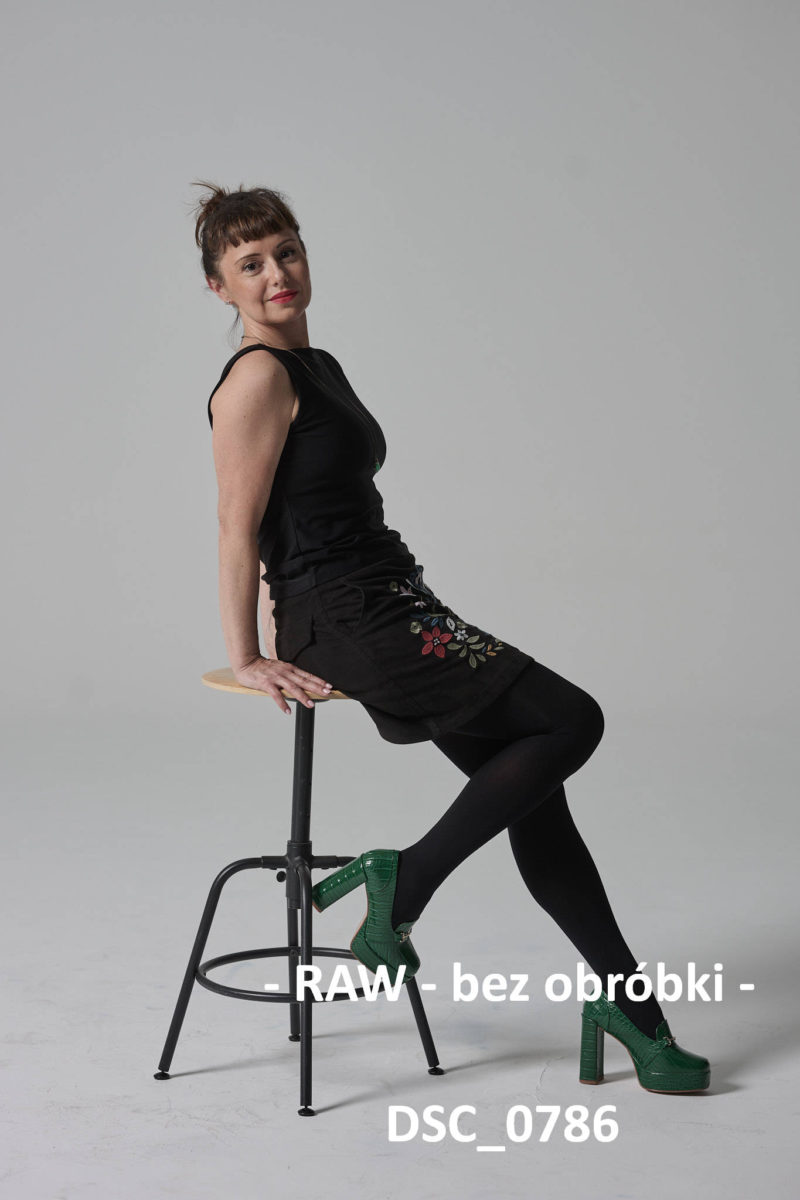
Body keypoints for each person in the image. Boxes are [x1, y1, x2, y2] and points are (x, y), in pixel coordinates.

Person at [193, 180, 710, 1094]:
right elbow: (237, 528)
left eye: (287, 251)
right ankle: (405, 883)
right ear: (219, 286)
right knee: (572, 719)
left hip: (393, 602)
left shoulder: (319, 365)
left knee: (536, 801)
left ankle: (634, 1014)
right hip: (344, 619)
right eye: (251, 263)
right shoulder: (257, 379)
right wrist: (247, 653)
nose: (277, 274)